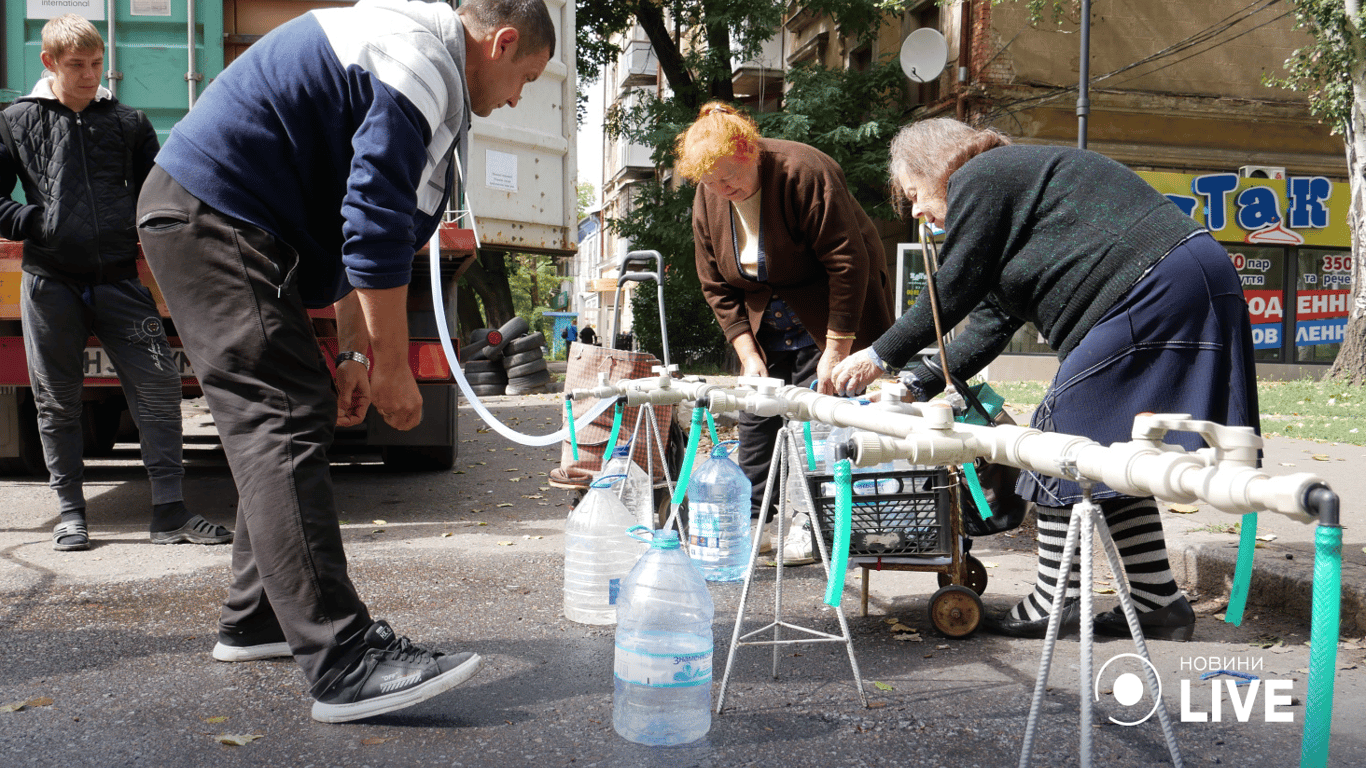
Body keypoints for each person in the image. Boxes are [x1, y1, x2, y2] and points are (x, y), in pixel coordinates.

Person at [135, 0, 554, 722]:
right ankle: (343, 658)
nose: (518, 95)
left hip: (228, 217)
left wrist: (358, 350)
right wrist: (395, 367)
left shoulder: (423, 66)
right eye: (527, 75)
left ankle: (258, 616)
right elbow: (373, 221)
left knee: (292, 408)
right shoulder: (418, 59)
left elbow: (362, 232)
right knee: (284, 413)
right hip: (213, 209)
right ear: (502, 41)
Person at [833, 118, 1260, 642]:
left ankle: (1055, 601)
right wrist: (914, 382)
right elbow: (987, 323)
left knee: (1059, 440)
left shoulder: (983, 176)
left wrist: (878, 355)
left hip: (1155, 283)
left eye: (916, 194)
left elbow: (953, 287)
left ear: (937, 166)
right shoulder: (1012, 198)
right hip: (1179, 275)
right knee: (1111, 454)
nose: (918, 211)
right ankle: (1158, 604)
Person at [0, 15, 231, 553]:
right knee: (57, 402)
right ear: (49, 63)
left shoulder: (128, 121)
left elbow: (161, 196)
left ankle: (170, 514)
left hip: (120, 282)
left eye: (96, 64)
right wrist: (35, 222)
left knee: (157, 391)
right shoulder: (15, 121)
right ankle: (71, 515)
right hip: (49, 281)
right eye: (76, 65)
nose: (87, 75)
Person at [675, 103, 895, 548]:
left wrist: (837, 349)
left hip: (831, 309)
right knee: (757, 416)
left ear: (749, 150)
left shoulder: (805, 170)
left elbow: (848, 263)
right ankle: (750, 522)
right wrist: (747, 353)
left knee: (823, 416)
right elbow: (714, 282)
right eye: (712, 182)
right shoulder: (710, 192)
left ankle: (817, 522)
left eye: (730, 176)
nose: (723, 189)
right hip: (765, 316)